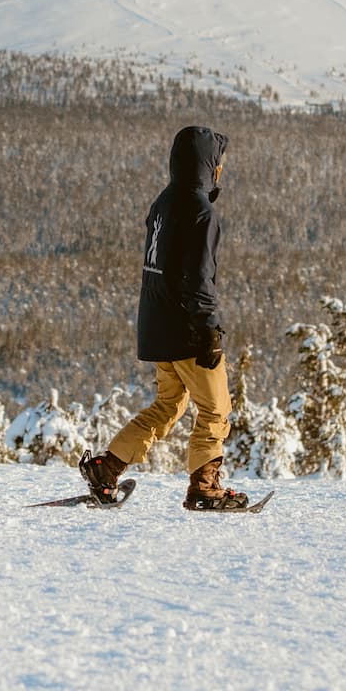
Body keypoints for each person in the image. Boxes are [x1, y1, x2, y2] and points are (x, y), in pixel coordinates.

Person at [79, 125, 250, 510]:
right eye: (219, 162)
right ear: (208, 165)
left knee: (168, 405)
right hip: (187, 329)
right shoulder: (201, 211)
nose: (221, 169)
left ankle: (107, 468)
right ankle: (204, 488)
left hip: (157, 326)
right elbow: (199, 277)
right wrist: (208, 329)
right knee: (216, 409)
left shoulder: (163, 203)